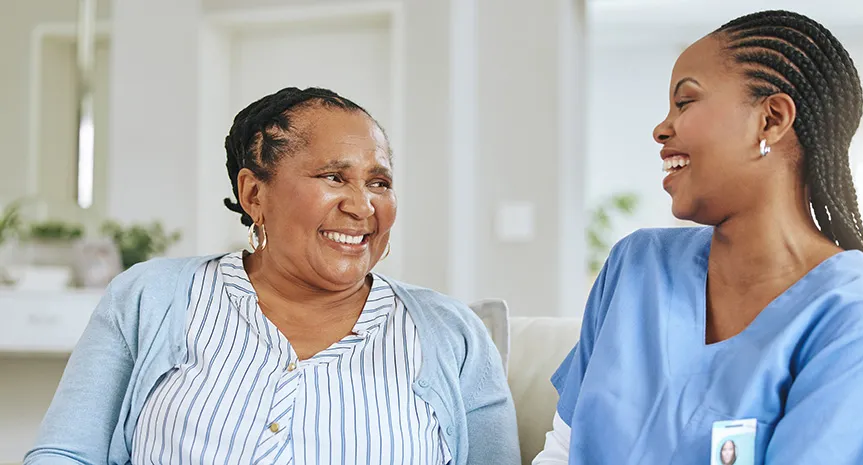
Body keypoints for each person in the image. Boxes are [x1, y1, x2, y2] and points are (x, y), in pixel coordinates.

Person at [25, 87, 520, 465]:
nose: (362, 206)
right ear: (254, 195)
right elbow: (65, 453)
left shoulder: (452, 334)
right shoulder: (149, 298)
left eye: (379, 182)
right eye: (334, 177)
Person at [533, 10, 863, 465]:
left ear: (771, 119)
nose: (661, 129)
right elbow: (562, 452)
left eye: (685, 102)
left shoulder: (858, 325)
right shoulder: (637, 267)